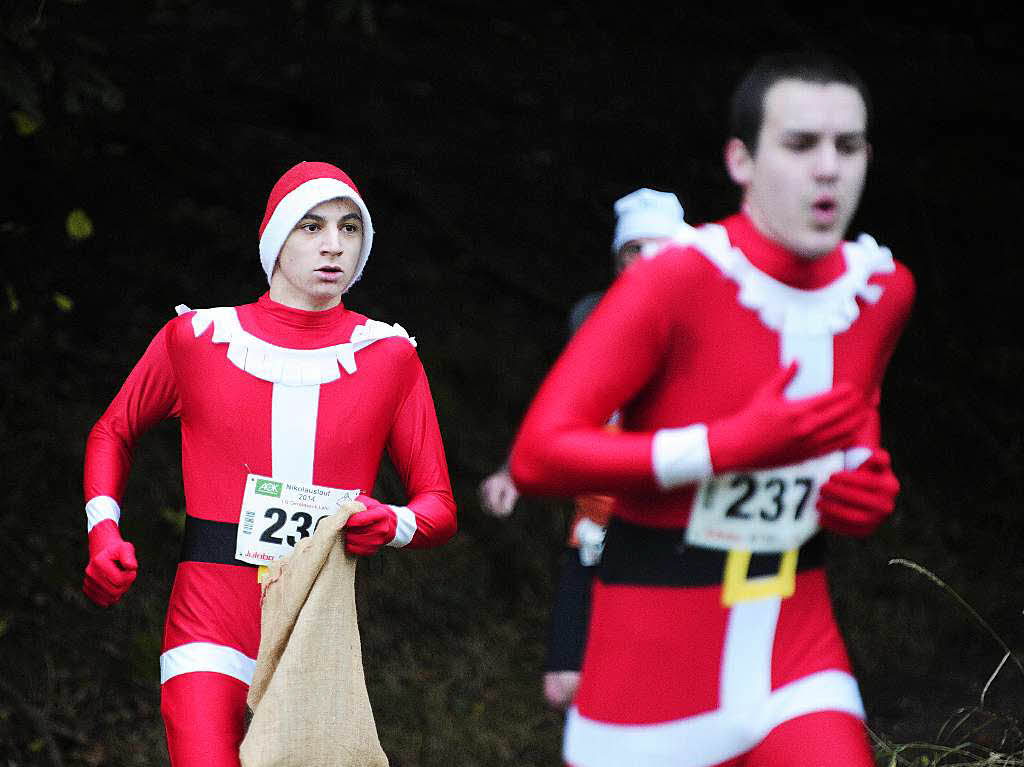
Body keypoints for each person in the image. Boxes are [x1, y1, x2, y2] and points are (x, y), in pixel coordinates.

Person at [509, 52, 914, 767]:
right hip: (650, 666)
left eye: (847, 146)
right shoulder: (672, 279)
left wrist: (868, 493)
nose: (828, 169)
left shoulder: (883, 288)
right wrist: (725, 444)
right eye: (799, 144)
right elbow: (540, 454)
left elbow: (857, 433)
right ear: (740, 159)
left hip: (797, 647)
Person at [81, 161, 457, 767]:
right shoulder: (198, 338)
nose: (334, 244)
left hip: (316, 623)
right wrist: (103, 531)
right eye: (311, 226)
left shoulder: (388, 355)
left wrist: (391, 522)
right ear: (276, 238)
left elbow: (438, 507)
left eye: (349, 228)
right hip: (209, 613)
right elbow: (112, 431)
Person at [479, 188, 685, 710]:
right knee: (564, 686)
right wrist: (512, 472)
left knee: (657, 682)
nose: (644, 260)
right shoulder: (592, 319)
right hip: (594, 526)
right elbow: (561, 408)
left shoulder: (703, 325)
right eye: (632, 250)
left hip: (670, 531)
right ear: (618, 260)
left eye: (657, 247)